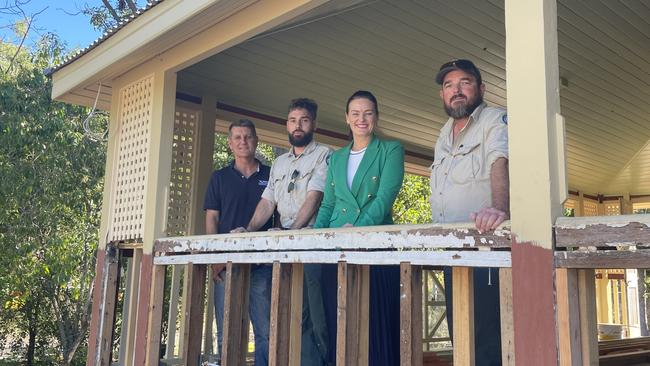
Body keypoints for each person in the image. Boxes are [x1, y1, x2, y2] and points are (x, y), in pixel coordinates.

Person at [232, 98, 331, 366]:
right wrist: (249, 229)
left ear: (314, 124)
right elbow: (268, 201)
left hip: (312, 244)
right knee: (294, 315)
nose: (297, 126)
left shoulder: (324, 154)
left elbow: (315, 197)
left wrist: (293, 231)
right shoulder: (280, 163)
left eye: (304, 120)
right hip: (286, 248)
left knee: (317, 315)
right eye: (292, 120)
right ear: (286, 124)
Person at [314, 90, 405, 366]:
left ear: (376, 117)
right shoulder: (337, 158)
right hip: (335, 248)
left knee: (375, 324)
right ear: (347, 118)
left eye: (367, 113)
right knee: (339, 319)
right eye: (355, 113)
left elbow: (384, 197)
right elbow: (328, 204)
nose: (361, 119)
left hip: (374, 246)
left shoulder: (391, 150)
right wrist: (315, 237)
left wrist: (358, 231)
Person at [430, 59, 509, 366]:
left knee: (488, 340)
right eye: (449, 85)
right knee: (460, 336)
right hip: (450, 249)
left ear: (481, 88)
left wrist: (499, 208)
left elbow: (499, 160)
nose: (456, 91)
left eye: (464, 83)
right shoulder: (443, 132)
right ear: (442, 95)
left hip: (484, 245)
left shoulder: (493, 118)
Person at [203, 119, 274, 366]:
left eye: (248, 136)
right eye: (238, 137)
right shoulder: (219, 177)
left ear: (256, 140)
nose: (243, 141)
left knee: (266, 331)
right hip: (227, 265)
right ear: (230, 143)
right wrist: (215, 258)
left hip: (262, 266)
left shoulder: (270, 175)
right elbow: (212, 217)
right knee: (227, 330)